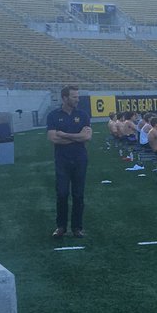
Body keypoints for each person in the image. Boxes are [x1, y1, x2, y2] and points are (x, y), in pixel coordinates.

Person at [46, 85, 92, 238]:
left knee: (78, 194)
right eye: (74, 97)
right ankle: (61, 227)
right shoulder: (53, 115)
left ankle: (77, 228)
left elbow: (87, 137)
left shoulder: (83, 114)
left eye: (78, 96)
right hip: (62, 160)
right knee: (62, 193)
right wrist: (76, 137)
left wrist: (64, 134)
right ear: (65, 98)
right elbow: (53, 138)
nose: (77, 99)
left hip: (80, 159)